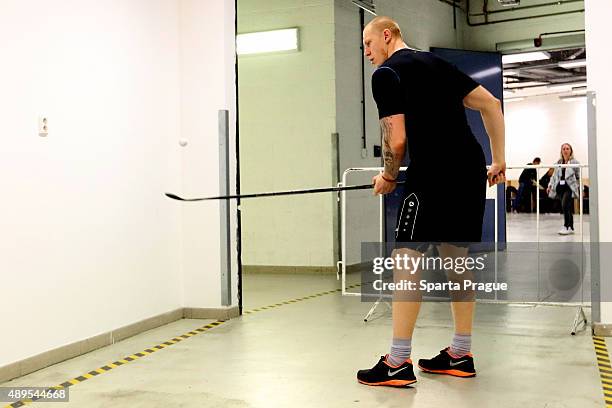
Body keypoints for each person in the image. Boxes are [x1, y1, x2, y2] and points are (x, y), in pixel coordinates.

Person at [357, 16, 506, 387]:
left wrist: (389, 177)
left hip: (432, 174)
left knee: (406, 260)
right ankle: (460, 352)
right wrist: (499, 159)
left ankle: (397, 362)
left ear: (387, 36)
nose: (366, 53)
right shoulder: (436, 64)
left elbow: (396, 141)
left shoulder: (387, 74)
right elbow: (490, 104)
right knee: (456, 258)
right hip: (469, 169)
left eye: (368, 44)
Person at [547, 143, 580, 235]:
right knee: (567, 207)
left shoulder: (575, 162)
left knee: (565, 205)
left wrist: (578, 186)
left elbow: (578, 176)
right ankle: (571, 227)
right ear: (561, 151)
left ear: (571, 151)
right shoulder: (559, 162)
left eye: (567, 149)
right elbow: (554, 176)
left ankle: (566, 226)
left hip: (569, 187)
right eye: (564, 149)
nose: (565, 150)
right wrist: (550, 185)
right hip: (560, 187)